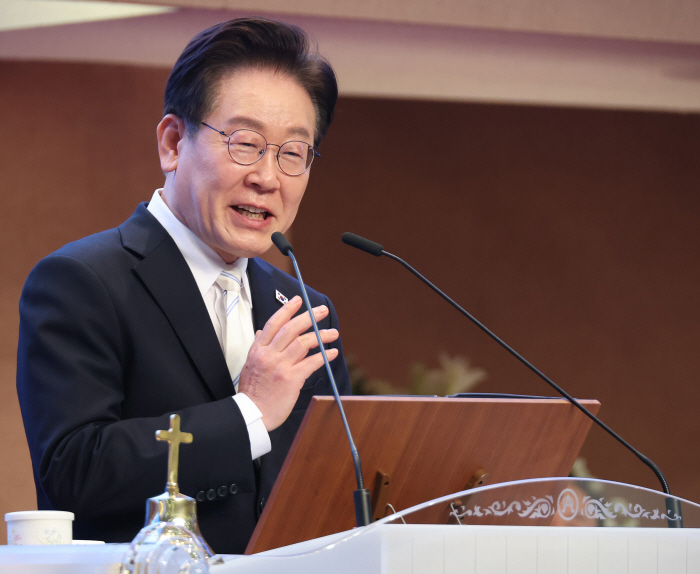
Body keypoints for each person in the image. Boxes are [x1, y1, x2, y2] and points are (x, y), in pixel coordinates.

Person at [16, 17, 350, 555]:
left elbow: (333, 481)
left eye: (293, 153)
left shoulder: (303, 309)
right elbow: (72, 471)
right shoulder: (81, 280)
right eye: (245, 143)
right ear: (173, 143)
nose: (268, 178)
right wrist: (249, 413)